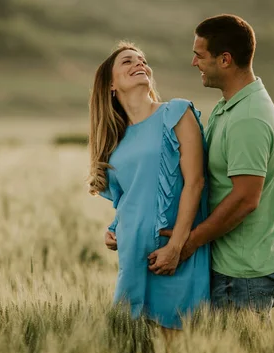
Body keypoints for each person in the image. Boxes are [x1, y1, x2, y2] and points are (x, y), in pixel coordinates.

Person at [162, 15, 274, 314]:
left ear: (225, 60)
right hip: (235, 268)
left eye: (199, 55)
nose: (194, 63)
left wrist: (189, 242)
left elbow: (245, 198)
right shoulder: (231, 104)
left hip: (242, 274)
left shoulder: (248, 118)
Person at [88, 41, 210, 335]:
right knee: (133, 350)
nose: (139, 64)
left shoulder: (177, 113)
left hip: (175, 257)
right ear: (111, 85)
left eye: (142, 60)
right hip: (134, 258)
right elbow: (131, 196)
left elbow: (195, 183)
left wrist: (176, 248)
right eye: (127, 62)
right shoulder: (116, 141)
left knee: (175, 348)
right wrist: (116, 228)